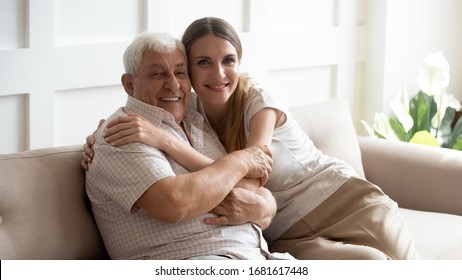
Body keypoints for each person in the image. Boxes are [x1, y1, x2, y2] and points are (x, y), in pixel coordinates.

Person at [84, 17, 420, 260]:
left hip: (336, 201)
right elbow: (191, 191)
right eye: (203, 63)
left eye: (228, 61)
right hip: (284, 231)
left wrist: (169, 142)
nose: (218, 74)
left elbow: (256, 175)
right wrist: (99, 135)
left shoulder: (253, 99)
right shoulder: (186, 108)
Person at [84, 31, 291, 260]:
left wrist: (263, 206)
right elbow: (175, 203)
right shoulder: (122, 134)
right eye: (157, 74)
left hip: (259, 257)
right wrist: (240, 160)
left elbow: (257, 196)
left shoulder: (197, 121)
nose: (173, 84)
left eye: (180, 73)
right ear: (129, 84)